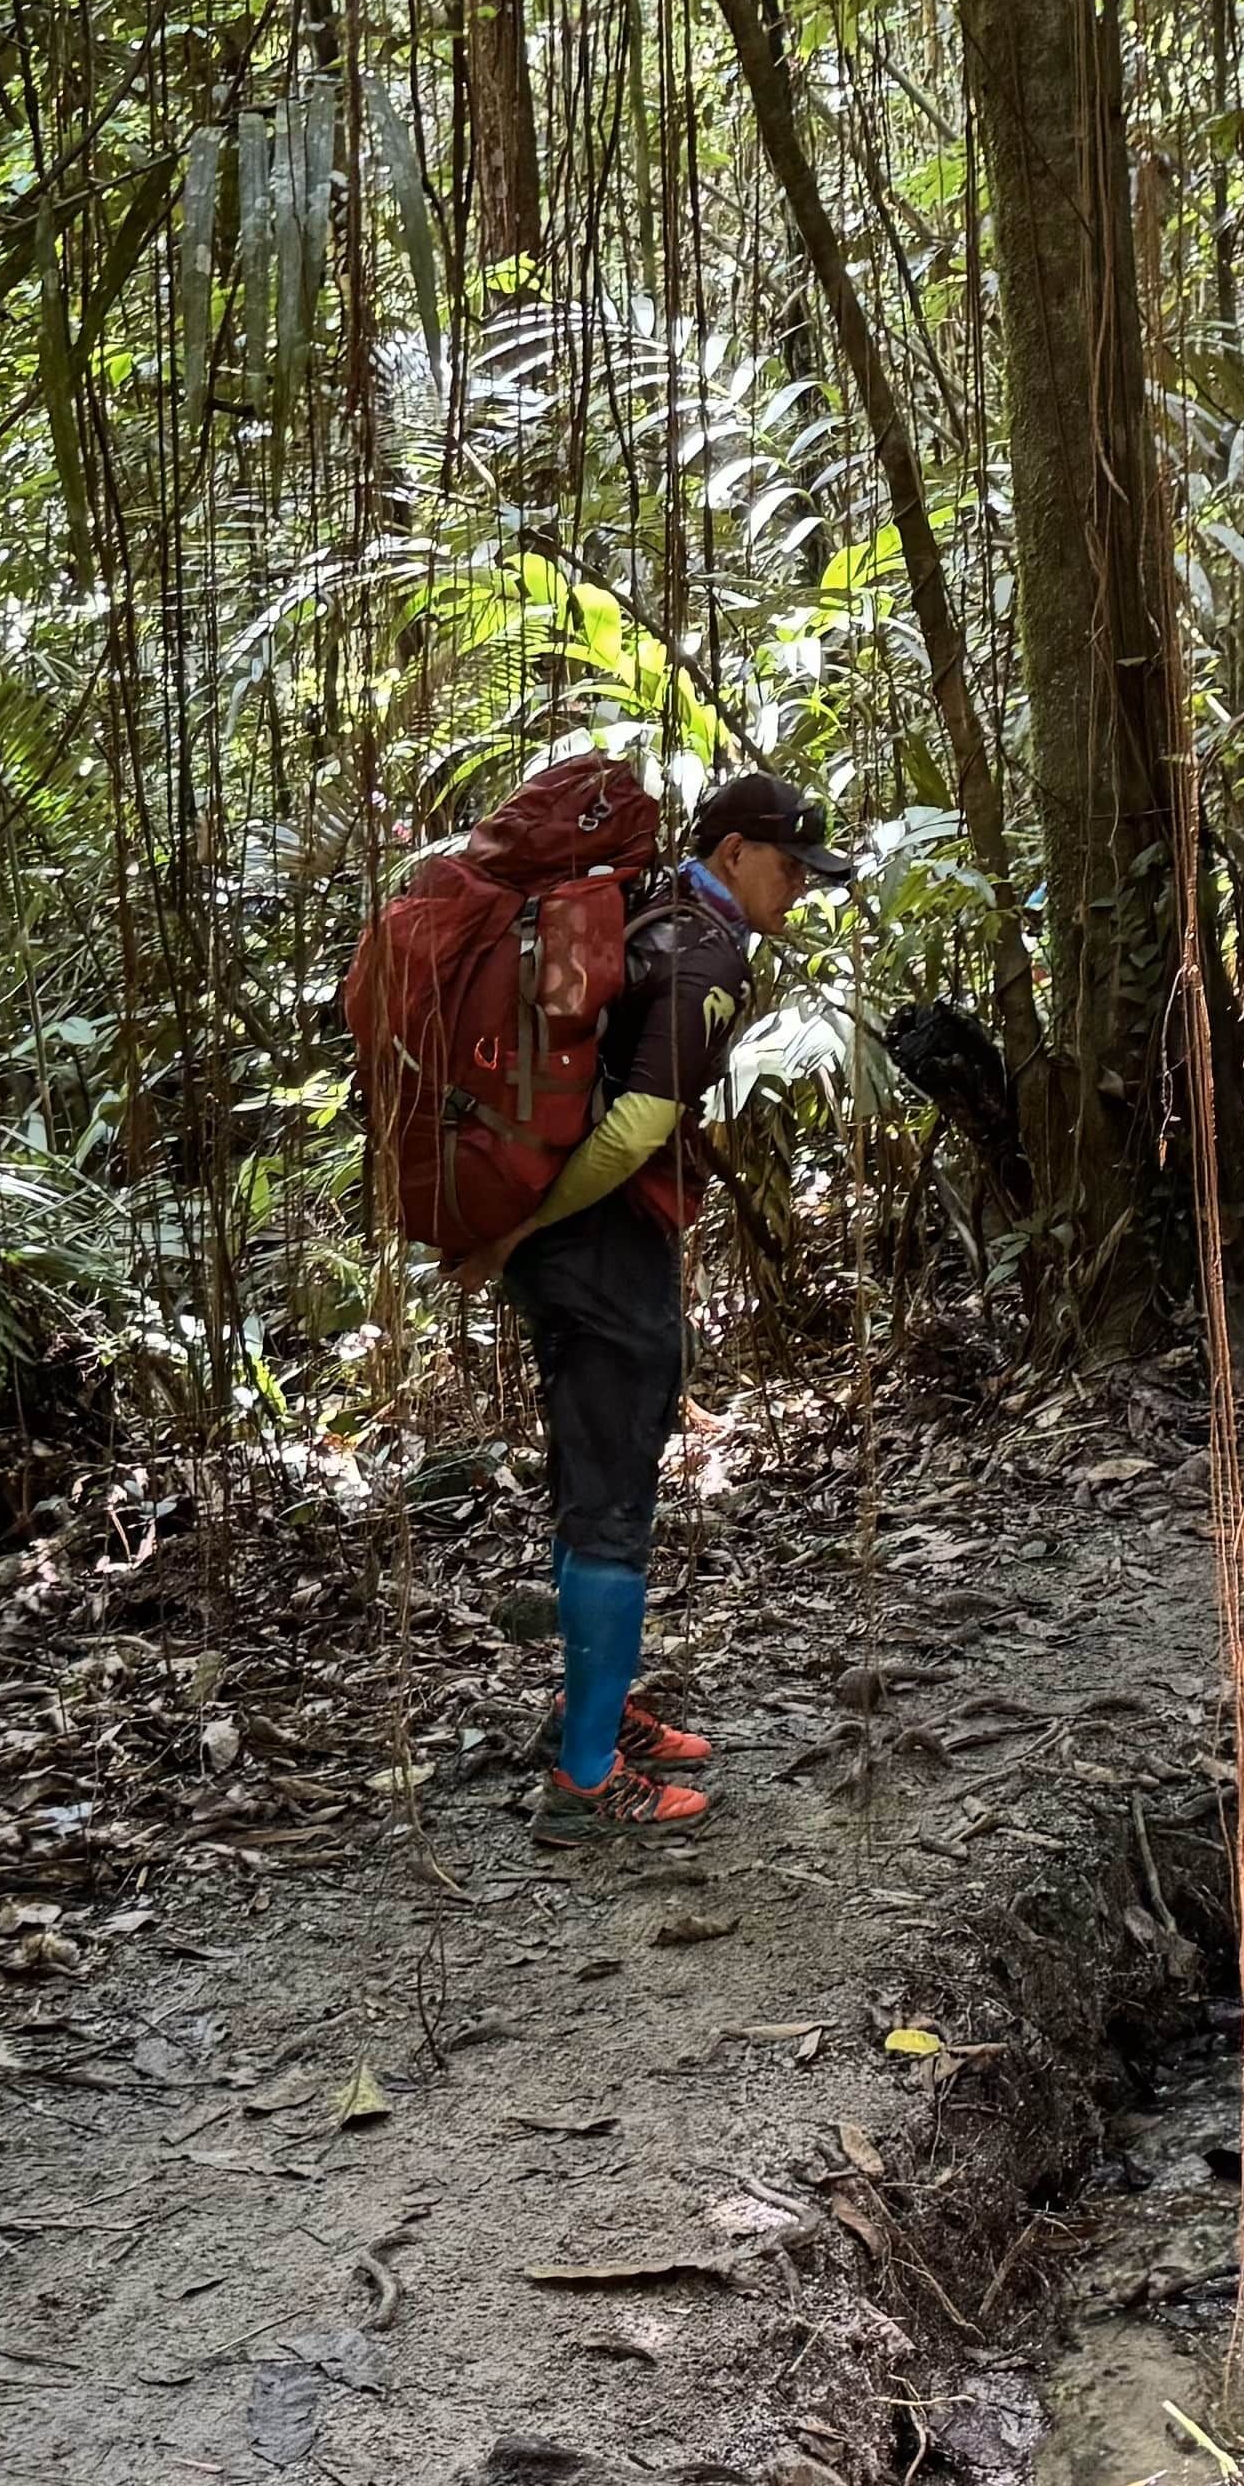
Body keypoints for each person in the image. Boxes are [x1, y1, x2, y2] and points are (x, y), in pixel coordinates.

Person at [461, 769, 856, 1839]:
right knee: (613, 1504)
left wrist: (523, 1231)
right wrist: (526, 1224)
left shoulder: (639, 907)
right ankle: (587, 1781)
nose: (798, 890)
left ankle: (591, 1711)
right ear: (729, 853)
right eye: (787, 866)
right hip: (596, 1244)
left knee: (594, 1478)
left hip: (563, 1248)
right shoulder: (706, 950)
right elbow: (636, 1127)